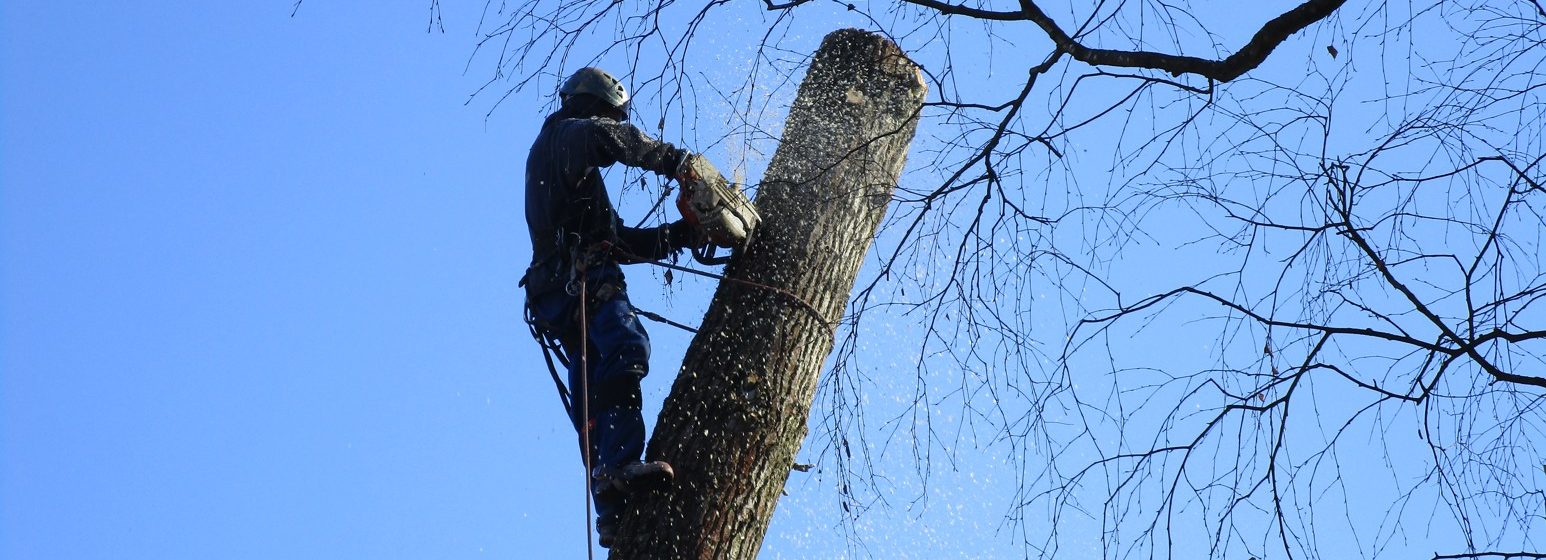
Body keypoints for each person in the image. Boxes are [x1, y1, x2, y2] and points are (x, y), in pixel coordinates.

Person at [520, 67, 705, 548]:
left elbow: (618, 242)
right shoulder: (568, 136)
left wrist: (681, 235)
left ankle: (611, 502)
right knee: (627, 345)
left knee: (594, 396)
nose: (610, 125)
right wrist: (681, 163)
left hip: (561, 296)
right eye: (609, 117)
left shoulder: (563, 165)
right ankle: (620, 464)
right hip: (583, 284)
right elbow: (610, 140)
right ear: (592, 108)